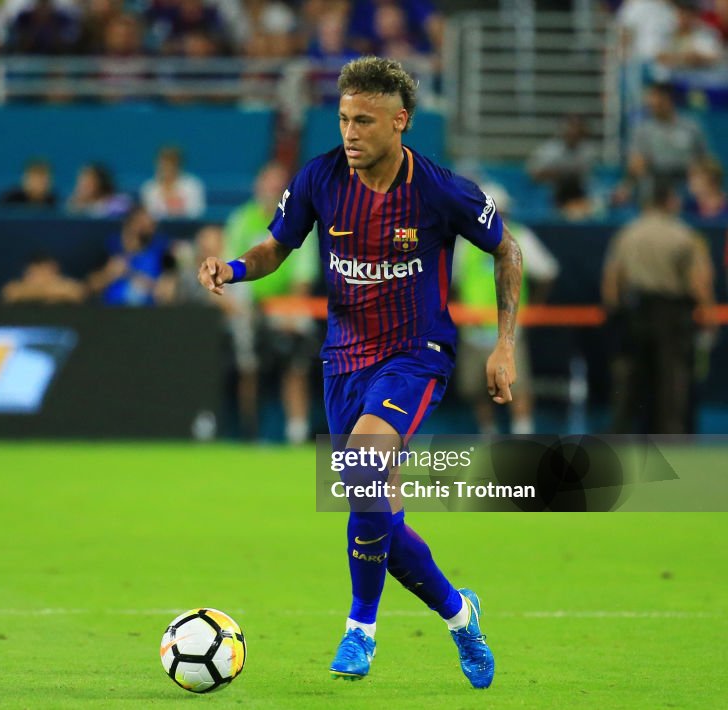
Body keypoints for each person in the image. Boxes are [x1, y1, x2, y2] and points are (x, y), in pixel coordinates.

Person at [198, 57, 520, 687]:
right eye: (344, 118)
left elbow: (505, 250)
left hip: (415, 354)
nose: (350, 132)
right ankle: (460, 615)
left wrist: (505, 344)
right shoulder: (320, 178)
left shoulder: (440, 189)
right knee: (376, 507)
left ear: (400, 122)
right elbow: (277, 246)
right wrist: (233, 268)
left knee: (367, 466)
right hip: (343, 361)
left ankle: (360, 628)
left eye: (365, 121)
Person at [603, 181, 716, 434]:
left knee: (631, 378)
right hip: (672, 314)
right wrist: (709, 316)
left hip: (634, 312)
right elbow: (698, 282)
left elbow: (612, 281)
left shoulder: (629, 233)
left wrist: (614, 313)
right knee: (672, 379)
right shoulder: (683, 234)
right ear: (668, 201)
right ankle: (671, 435)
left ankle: (621, 433)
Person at [224, 161, 320, 444]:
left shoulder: (298, 220)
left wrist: (289, 314)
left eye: (279, 185)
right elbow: (230, 265)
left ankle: (296, 432)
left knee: (296, 362)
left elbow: (303, 276)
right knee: (248, 366)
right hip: (249, 305)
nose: (273, 190)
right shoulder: (241, 220)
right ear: (258, 186)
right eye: (269, 183)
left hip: (285, 305)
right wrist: (241, 309)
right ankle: (249, 432)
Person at [453, 184, 559, 435]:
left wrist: (532, 309)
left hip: (509, 332)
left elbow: (547, 272)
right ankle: (488, 434)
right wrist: (460, 313)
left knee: (517, 385)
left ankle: (523, 434)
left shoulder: (520, 238)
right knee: (476, 389)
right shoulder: (464, 244)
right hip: (473, 331)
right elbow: (452, 282)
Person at [614, 82, 709, 205]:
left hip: (686, 188)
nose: (652, 105)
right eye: (650, 103)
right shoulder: (643, 130)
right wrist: (626, 187)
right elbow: (636, 164)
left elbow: (704, 161)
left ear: (668, 101)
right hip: (653, 188)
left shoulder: (691, 127)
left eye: (657, 102)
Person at [87, 203, 171, 306]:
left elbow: (167, 286)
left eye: (151, 224)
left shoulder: (161, 249)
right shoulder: (110, 247)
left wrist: (149, 283)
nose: (150, 227)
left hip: (149, 312)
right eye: (142, 223)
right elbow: (91, 286)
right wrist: (108, 274)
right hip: (111, 311)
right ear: (131, 224)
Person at [527, 114, 597, 188]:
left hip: (578, 192)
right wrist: (562, 174)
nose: (574, 132)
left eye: (578, 128)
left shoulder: (588, 151)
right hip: (549, 191)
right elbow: (534, 174)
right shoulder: (550, 150)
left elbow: (586, 176)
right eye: (572, 127)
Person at [140, 146, 206, 219]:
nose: (166, 168)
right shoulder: (149, 187)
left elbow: (197, 212)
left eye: (170, 164)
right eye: (162, 164)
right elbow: (149, 214)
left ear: (178, 166)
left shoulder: (192, 185)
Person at [1, 251, 86, 304]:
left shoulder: (69, 285)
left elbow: (77, 293)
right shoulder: (15, 287)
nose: (42, 278)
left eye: (46, 273)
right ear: (27, 273)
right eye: (37, 273)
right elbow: (10, 294)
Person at [684, 156, 728, 221]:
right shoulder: (688, 206)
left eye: (696, 177)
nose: (691, 182)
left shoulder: (725, 207)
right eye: (690, 178)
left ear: (712, 180)